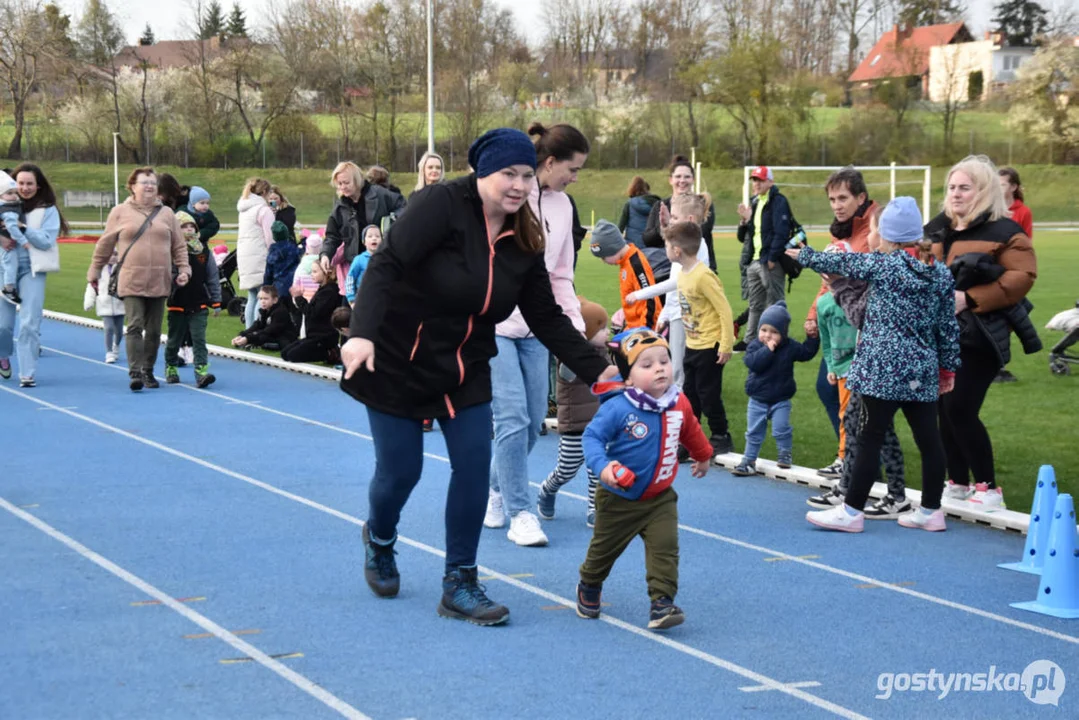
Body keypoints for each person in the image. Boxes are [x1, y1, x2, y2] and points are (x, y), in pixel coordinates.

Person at [340, 127, 615, 626]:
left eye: (526, 175)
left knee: (472, 464)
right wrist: (361, 333)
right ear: (481, 172)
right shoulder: (440, 206)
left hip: (465, 366)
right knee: (401, 472)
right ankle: (379, 538)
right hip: (399, 358)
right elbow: (387, 266)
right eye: (508, 173)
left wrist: (603, 374)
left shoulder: (526, 234)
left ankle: (460, 581)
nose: (517, 184)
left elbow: (546, 317)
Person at [796, 197, 960, 533]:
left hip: (881, 371)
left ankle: (852, 510)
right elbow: (947, 326)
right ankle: (931, 509)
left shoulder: (885, 265)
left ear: (888, 236)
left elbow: (847, 264)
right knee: (929, 439)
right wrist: (948, 369)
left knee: (868, 437)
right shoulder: (939, 273)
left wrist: (804, 255)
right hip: (921, 370)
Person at [485, 122, 591, 549]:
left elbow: (561, 274)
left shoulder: (566, 207)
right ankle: (520, 511)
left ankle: (495, 489)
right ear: (550, 163)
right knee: (510, 418)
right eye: (573, 168)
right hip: (495, 324)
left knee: (530, 426)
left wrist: (576, 335)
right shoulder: (511, 197)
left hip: (537, 328)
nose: (575, 177)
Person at [576, 328, 712, 630]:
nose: (659, 368)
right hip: (619, 499)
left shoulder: (678, 402)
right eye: (646, 365)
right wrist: (605, 468)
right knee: (603, 550)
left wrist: (703, 454)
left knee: (666, 548)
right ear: (628, 377)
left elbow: (690, 429)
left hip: (660, 498)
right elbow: (592, 438)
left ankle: (661, 602)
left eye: (663, 360)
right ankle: (589, 582)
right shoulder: (618, 407)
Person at [926, 155, 1036, 510]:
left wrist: (970, 298)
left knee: (960, 407)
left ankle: (988, 489)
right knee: (943, 407)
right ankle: (957, 481)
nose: (955, 194)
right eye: (952, 187)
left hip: (982, 336)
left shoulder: (1005, 231)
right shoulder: (938, 228)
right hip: (942, 335)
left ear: (984, 191)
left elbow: (1021, 278)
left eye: (965, 188)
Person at [807, 206, 910, 518]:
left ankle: (860, 494)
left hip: (876, 366)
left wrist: (839, 284)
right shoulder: (882, 270)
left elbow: (860, 318)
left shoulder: (880, 273)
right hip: (874, 364)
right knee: (864, 426)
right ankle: (877, 492)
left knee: (864, 427)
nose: (871, 236)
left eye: (875, 230)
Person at [88, 167, 190, 392]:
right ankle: (135, 372)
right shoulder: (120, 212)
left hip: (159, 280)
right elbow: (105, 244)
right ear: (132, 186)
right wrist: (94, 270)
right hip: (131, 278)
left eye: (152, 182)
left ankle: (148, 370)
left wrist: (184, 269)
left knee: (153, 330)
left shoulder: (167, 215)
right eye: (144, 182)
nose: (149, 186)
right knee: (134, 325)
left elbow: (179, 246)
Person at [805, 168, 878, 477]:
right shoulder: (841, 231)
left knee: (866, 403)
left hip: (865, 329)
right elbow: (828, 278)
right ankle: (853, 457)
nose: (837, 204)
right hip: (839, 328)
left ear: (861, 197)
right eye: (832, 199)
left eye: (843, 198)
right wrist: (812, 313)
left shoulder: (874, 230)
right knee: (828, 388)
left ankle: (860, 462)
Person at [625, 192, 712, 387]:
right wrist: (666, 313)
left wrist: (640, 294)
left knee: (679, 368)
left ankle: (678, 408)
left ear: (689, 220)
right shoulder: (682, 244)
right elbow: (675, 285)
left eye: (674, 217)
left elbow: (679, 282)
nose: (671, 221)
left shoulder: (698, 248)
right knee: (676, 362)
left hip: (688, 315)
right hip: (676, 313)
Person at [536, 297, 608, 528]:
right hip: (575, 425)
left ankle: (594, 508)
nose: (607, 333)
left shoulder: (605, 353)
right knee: (566, 469)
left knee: (597, 468)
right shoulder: (568, 359)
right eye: (601, 328)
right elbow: (569, 373)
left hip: (599, 425)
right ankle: (548, 488)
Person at [666, 220, 735, 457]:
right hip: (692, 344)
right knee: (690, 396)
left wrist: (725, 344)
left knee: (709, 394)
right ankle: (689, 440)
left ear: (677, 250)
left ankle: (721, 436)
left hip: (710, 345)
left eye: (667, 245)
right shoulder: (682, 275)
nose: (665, 250)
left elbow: (724, 310)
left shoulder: (703, 276)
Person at [731, 301, 819, 476]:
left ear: (783, 333)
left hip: (781, 399)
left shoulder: (790, 347)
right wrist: (768, 350)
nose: (768, 336)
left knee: (782, 429)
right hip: (757, 399)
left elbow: (806, 353)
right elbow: (753, 363)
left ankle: (785, 454)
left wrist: (813, 338)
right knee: (754, 432)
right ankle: (749, 460)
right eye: (764, 330)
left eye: (774, 332)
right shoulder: (756, 346)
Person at [0, 163, 66, 386]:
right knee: (3, 326)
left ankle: (27, 373)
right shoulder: (2, 203)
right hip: (4, 270)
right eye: (21, 183)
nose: (25, 188)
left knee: (29, 322)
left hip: (32, 270)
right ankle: (3, 354)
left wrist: (23, 228)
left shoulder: (47, 210)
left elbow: (47, 241)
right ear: (13, 184)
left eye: (30, 184)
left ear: (38, 186)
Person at [164, 211, 221, 388]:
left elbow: (212, 276)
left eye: (192, 226)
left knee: (199, 339)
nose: (189, 229)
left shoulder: (204, 251)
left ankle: (201, 372)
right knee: (174, 340)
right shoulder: (170, 251)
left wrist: (217, 301)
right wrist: (176, 281)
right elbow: (165, 274)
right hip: (177, 303)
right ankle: (171, 367)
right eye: (184, 227)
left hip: (199, 302)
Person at [737, 166, 792, 343]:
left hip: (768, 261)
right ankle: (750, 341)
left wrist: (772, 258)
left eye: (760, 180)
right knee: (755, 305)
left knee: (776, 302)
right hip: (754, 261)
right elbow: (742, 237)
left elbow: (782, 232)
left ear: (770, 182)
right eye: (754, 180)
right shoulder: (755, 202)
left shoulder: (778, 202)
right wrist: (745, 221)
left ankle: (778, 338)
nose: (756, 184)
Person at [321, 161, 406, 272]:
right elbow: (332, 236)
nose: (343, 187)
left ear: (356, 180)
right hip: (357, 264)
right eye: (340, 184)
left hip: (384, 258)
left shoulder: (380, 194)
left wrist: (391, 221)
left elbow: (403, 206)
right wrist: (325, 254)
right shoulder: (340, 208)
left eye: (346, 183)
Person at [993, 166, 1033, 384]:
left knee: (1011, 319)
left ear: (1013, 187)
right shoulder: (989, 208)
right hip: (991, 273)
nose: (998, 190)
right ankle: (995, 366)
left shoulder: (1022, 212)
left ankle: (998, 365)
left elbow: (1027, 244)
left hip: (1011, 273)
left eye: (1002, 185)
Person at [590, 220, 667, 330]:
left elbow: (650, 300)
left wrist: (645, 330)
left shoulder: (636, 264)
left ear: (614, 248)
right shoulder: (625, 263)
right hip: (632, 326)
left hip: (644, 327)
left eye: (604, 256)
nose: (603, 261)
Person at [642, 155, 716, 269]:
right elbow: (647, 239)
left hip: (699, 266)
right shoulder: (660, 206)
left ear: (693, 179)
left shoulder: (702, 204)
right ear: (671, 180)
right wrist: (662, 225)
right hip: (666, 268)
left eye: (687, 177)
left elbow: (700, 233)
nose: (682, 180)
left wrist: (669, 225)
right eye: (678, 176)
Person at [282, 260, 340, 364]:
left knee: (292, 355)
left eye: (314, 271)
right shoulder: (322, 290)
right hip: (313, 335)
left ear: (326, 272)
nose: (311, 274)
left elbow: (313, 313)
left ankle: (330, 353)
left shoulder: (329, 292)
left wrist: (299, 298)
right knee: (285, 353)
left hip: (324, 337)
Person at [236, 177, 275, 329]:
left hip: (246, 257)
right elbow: (270, 236)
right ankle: (258, 329)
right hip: (260, 256)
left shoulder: (244, 209)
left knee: (252, 296)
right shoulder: (263, 210)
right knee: (263, 295)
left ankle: (249, 330)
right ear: (264, 192)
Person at [232, 285, 297, 351]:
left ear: (275, 300)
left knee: (262, 337)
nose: (263, 301)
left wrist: (248, 338)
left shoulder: (280, 312)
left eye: (266, 299)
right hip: (271, 334)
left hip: (284, 337)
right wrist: (242, 335)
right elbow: (256, 325)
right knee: (258, 335)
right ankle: (247, 343)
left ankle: (261, 345)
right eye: (260, 299)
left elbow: (269, 330)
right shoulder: (263, 310)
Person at [90, 249, 126, 363]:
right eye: (110, 255)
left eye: (115, 254)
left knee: (119, 331)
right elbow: (92, 286)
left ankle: (116, 346)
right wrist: (90, 301)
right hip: (104, 304)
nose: (113, 257)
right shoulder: (99, 270)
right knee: (109, 328)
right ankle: (109, 352)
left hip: (119, 304)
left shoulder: (122, 269)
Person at [264, 220, 302, 302]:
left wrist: (265, 287)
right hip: (293, 286)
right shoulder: (294, 249)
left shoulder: (273, 252)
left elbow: (268, 273)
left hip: (278, 288)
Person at [0, 172, 24, 306]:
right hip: (8, 246)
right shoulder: (6, 208)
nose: (14, 196)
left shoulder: (14, 205)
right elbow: (13, 228)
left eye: (16, 193)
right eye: (10, 193)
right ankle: (8, 288)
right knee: (10, 263)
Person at [618, 176, 661, 247]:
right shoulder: (657, 203)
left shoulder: (629, 204)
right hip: (653, 244)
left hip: (633, 245)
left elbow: (621, 227)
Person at [345, 225, 381, 306]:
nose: (374, 238)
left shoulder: (385, 259)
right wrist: (351, 300)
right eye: (370, 236)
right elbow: (350, 279)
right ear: (364, 241)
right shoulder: (359, 259)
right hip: (362, 301)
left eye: (377, 236)